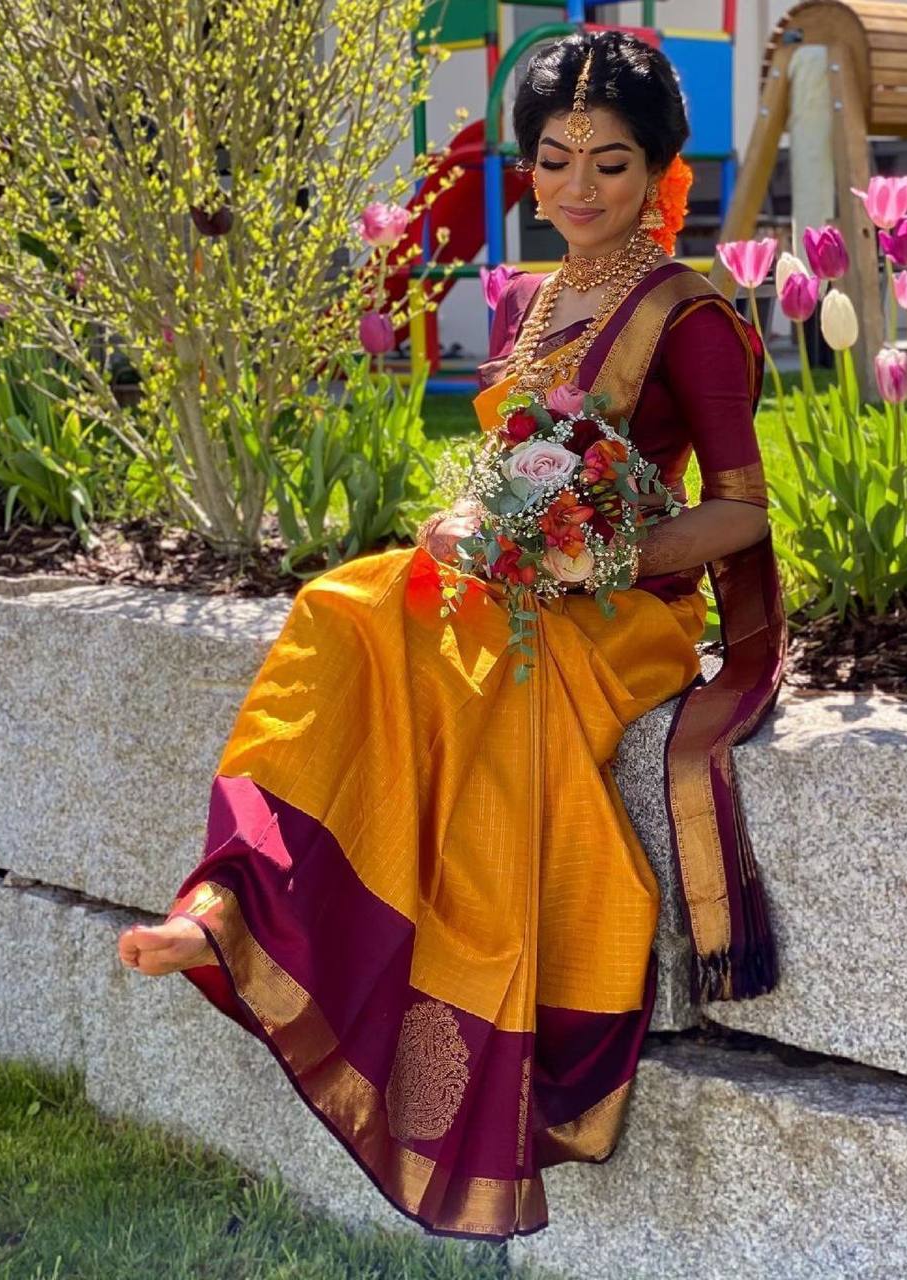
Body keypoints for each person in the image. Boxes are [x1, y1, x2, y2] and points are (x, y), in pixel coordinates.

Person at [116, 30, 786, 1242]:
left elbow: (742, 508)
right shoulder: (540, 297)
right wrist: (482, 516)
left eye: (613, 165)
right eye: (556, 159)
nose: (578, 189)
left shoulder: (689, 315)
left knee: (484, 696)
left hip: (625, 609)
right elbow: (518, 460)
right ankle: (234, 907)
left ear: (662, 171)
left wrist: (603, 551)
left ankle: (481, 1050)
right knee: (345, 607)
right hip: (525, 580)